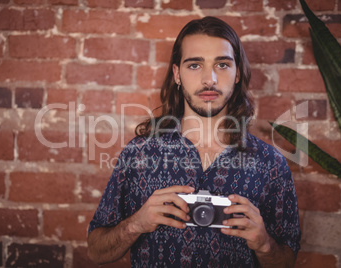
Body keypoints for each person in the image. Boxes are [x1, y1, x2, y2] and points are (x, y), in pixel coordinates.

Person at [87, 16, 301, 267]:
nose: (209, 79)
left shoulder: (270, 163)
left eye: (222, 64)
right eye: (194, 65)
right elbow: (96, 251)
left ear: (237, 74)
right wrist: (137, 223)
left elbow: (287, 262)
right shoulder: (139, 153)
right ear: (177, 74)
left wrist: (264, 244)